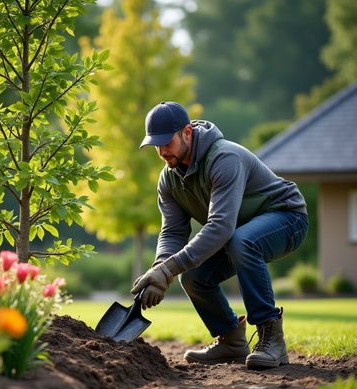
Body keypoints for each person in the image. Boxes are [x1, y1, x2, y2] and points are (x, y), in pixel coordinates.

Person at [131, 101, 308, 369]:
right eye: (155, 143)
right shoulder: (168, 180)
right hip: (240, 232)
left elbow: (221, 227)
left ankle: (272, 339)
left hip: (287, 218)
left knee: (241, 241)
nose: (161, 150)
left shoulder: (224, 158)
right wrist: (159, 270)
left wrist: (168, 269)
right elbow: (173, 231)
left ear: (187, 132)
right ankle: (231, 341)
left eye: (167, 141)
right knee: (192, 275)